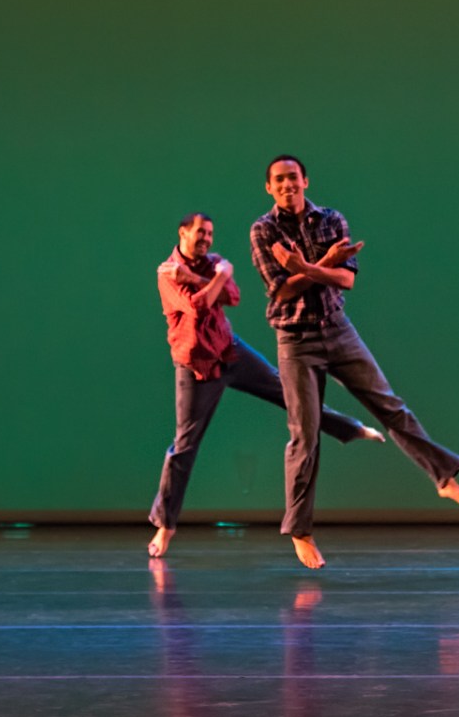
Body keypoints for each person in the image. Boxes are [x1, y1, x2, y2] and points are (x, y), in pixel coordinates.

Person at [250, 155, 459, 570]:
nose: (288, 185)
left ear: (306, 180)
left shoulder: (331, 219)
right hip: (295, 340)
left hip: (338, 330)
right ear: (269, 187)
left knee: (391, 406)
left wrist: (304, 267)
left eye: (293, 178)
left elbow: (347, 280)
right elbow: (281, 291)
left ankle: (444, 479)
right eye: (279, 180)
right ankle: (301, 532)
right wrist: (324, 263)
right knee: (304, 436)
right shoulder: (264, 229)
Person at [149, 212, 385, 558]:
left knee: (289, 392)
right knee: (185, 444)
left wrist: (213, 277)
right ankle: (165, 525)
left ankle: (349, 428)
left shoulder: (212, 262)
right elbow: (198, 307)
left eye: (210, 234)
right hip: (196, 365)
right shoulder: (168, 271)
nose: (206, 239)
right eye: (200, 232)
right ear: (183, 232)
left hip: (229, 350)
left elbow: (232, 296)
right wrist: (217, 276)